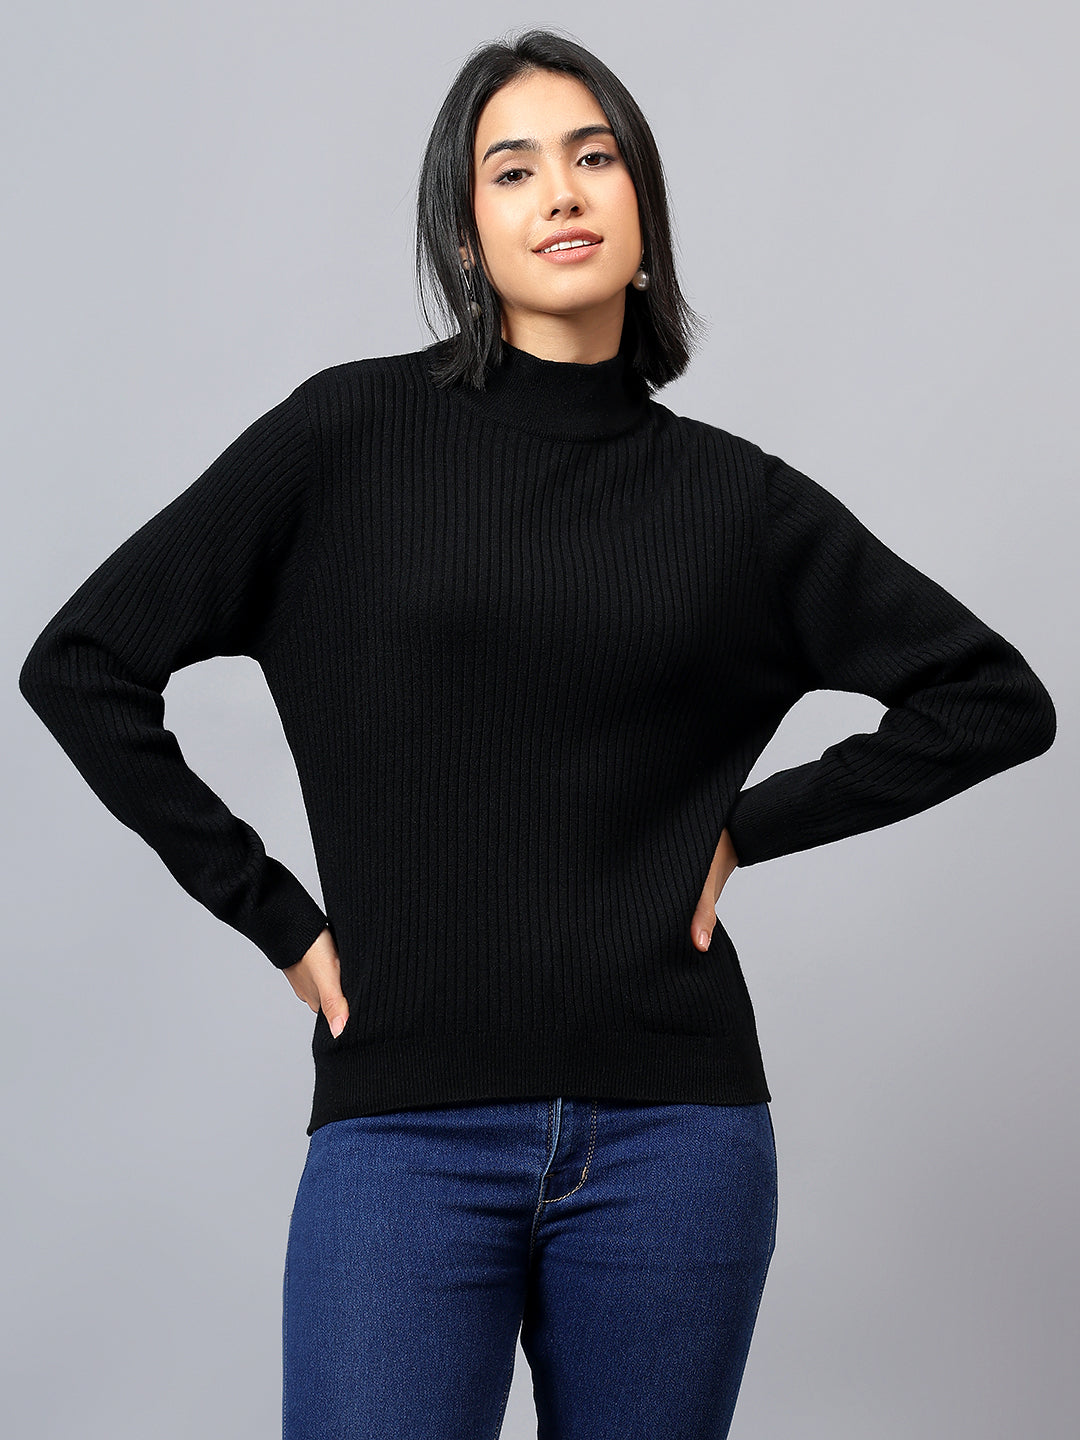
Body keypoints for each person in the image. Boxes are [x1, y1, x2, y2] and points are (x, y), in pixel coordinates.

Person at [18, 27, 1056, 1440]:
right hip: (406, 1130)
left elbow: (993, 698)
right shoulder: (347, 440)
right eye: (512, 170)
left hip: (675, 1139)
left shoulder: (734, 503)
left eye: (594, 157)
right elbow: (82, 664)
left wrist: (746, 830)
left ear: (643, 211)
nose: (561, 192)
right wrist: (277, 919)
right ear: (465, 235)